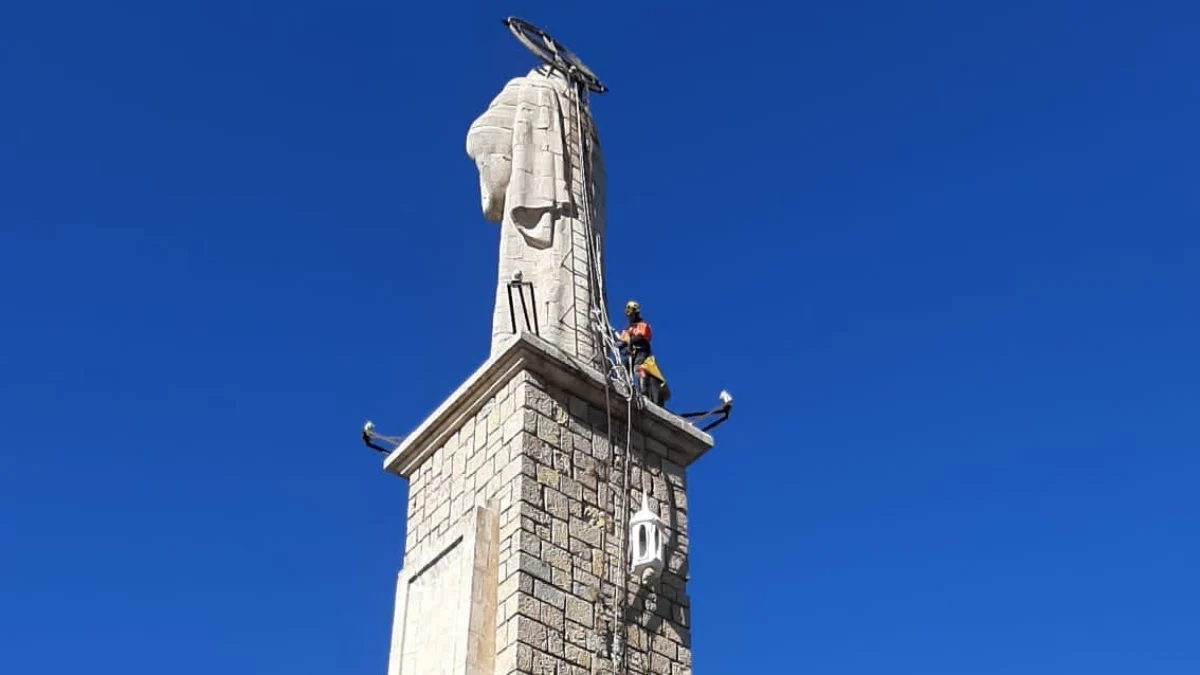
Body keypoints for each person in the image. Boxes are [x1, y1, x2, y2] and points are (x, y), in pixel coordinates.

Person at [617, 300, 670, 405]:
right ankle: (624, 386)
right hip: (631, 353)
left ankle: (644, 392)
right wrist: (619, 344)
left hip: (641, 351)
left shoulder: (642, 324)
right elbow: (622, 340)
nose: (629, 314)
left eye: (631, 311)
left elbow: (641, 337)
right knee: (623, 367)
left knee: (639, 370)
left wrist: (627, 341)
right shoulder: (627, 329)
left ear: (635, 312)